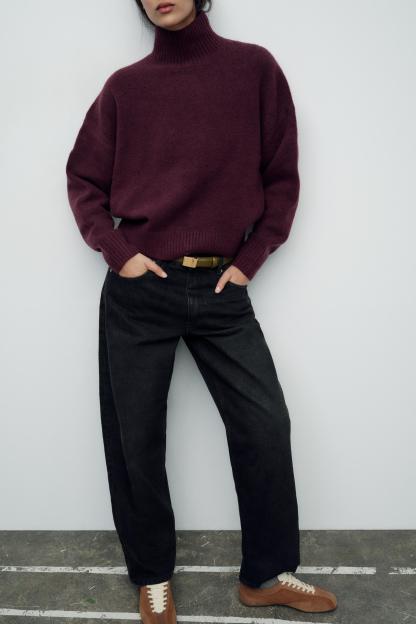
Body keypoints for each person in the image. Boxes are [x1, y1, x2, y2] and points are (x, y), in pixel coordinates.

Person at [65, 0, 338, 621]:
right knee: (136, 439)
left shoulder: (254, 70)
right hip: (141, 292)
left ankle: (266, 574)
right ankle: (152, 576)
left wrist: (251, 258)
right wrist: (119, 254)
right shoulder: (125, 88)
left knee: (264, 425)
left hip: (222, 290)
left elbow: (282, 178)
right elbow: (83, 180)